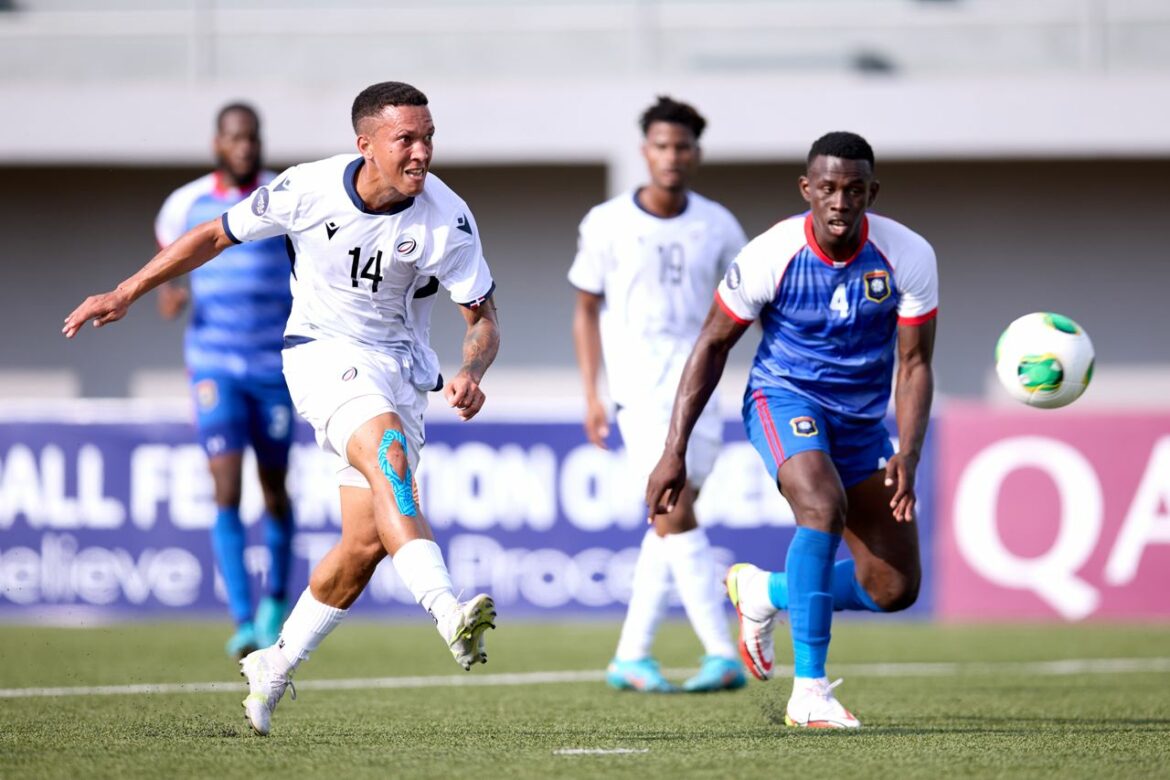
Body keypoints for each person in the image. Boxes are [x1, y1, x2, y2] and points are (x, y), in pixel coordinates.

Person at [63, 81, 501, 737]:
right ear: (365, 145)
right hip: (322, 355)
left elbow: (482, 317)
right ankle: (448, 611)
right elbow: (212, 236)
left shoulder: (448, 218)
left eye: (428, 138)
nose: (421, 152)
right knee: (388, 456)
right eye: (405, 139)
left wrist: (471, 369)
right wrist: (127, 291)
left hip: (402, 372)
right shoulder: (307, 188)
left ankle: (274, 663)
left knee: (363, 545)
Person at [646, 131, 938, 727]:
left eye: (853, 190)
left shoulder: (908, 255)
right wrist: (673, 450)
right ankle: (808, 693)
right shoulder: (771, 254)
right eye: (827, 188)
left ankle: (766, 593)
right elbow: (712, 344)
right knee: (822, 508)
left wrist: (908, 451)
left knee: (894, 587)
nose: (839, 201)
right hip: (783, 397)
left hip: (860, 422)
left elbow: (914, 365)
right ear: (807, 189)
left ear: (872, 193)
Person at [570, 96, 748, 693]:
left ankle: (630, 656)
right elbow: (585, 309)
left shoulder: (719, 225)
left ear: (696, 153)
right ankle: (722, 650)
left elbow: (748, 304)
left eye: (682, 147)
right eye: (662, 146)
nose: (672, 157)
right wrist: (592, 394)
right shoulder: (606, 222)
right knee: (672, 510)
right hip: (639, 393)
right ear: (645, 151)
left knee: (668, 523)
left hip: (700, 392)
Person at [154, 103, 296, 660]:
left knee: (275, 489)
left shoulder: (283, 195)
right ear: (218, 143)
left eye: (252, 138)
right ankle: (242, 621)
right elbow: (172, 265)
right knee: (226, 488)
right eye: (235, 138)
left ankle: (274, 604)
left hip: (273, 367)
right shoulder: (184, 204)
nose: (245, 147)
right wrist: (170, 295)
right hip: (214, 364)